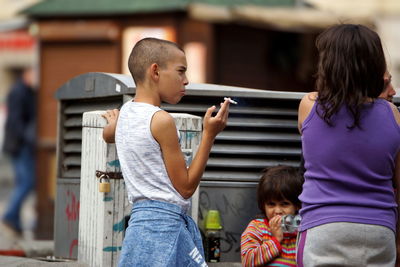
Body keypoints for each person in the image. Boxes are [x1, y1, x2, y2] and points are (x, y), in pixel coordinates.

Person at [102, 37, 230, 267]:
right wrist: (209, 135)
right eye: (181, 71)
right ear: (155, 71)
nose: (187, 80)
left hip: (140, 227)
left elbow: (108, 134)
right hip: (164, 228)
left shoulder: (127, 112)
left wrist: (112, 123)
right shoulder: (161, 120)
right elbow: (185, 187)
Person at [297, 24, 400, 266]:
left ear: (330, 65)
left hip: (322, 228)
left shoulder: (309, 106)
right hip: (379, 231)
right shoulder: (393, 115)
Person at [240, 165, 303, 267]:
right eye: (271, 204)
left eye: (284, 204)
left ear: (297, 205)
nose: (277, 211)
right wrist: (275, 240)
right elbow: (247, 261)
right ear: (263, 205)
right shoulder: (257, 228)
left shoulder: (301, 231)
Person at [1, 67, 36, 238]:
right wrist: (28, 137)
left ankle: (15, 220)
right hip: (19, 145)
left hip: (19, 144)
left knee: (23, 182)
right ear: (27, 74)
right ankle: (9, 215)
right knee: (27, 182)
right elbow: (15, 121)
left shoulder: (26, 91)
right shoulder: (19, 92)